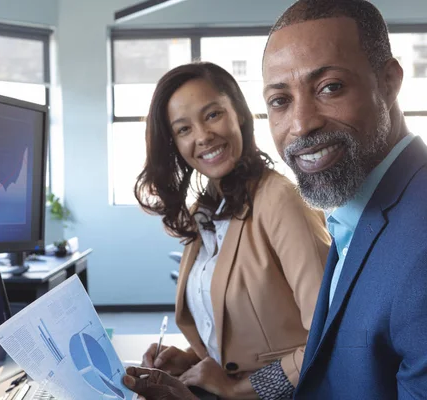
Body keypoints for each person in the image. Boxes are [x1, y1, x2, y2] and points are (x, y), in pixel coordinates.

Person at [124, 0, 427, 399]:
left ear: (389, 80)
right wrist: (197, 362)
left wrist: (235, 389)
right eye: (280, 100)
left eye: (330, 87)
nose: (301, 123)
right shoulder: (353, 211)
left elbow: (316, 343)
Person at [133, 61, 330, 398]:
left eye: (212, 115)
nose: (203, 136)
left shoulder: (280, 198)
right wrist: (192, 358)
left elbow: (327, 334)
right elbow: (238, 327)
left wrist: (237, 388)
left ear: (238, 113)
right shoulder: (204, 211)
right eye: (183, 129)